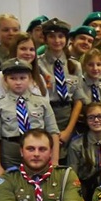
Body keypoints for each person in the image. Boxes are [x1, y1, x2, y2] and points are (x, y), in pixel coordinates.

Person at [36, 19, 84, 153]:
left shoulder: (74, 65)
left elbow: (78, 100)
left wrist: (68, 130)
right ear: (45, 39)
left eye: (61, 36)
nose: (57, 40)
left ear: (66, 39)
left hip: (67, 118)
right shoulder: (38, 64)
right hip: (45, 116)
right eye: (52, 36)